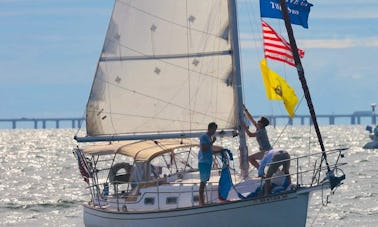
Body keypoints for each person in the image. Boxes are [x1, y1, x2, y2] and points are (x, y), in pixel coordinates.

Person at [242, 105, 273, 170]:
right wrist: (245, 110)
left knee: (250, 158)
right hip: (266, 151)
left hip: (266, 152)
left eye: (259, 121)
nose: (257, 122)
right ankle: (261, 172)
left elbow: (250, 135)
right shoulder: (259, 128)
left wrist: (244, 127)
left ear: (262, 124)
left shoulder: (261, 131)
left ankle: (261, 172)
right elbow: (251, 119)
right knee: (270, 165)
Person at [198, 122, 218, 206]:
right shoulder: (204, 137)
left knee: (205, 181)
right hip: (203, 162)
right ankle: (201, 202)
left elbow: (209, 150)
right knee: (203, 182)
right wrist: (212, 142)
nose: (214, 131)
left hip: (207, 162)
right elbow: (203, 148)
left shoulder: (209, 138)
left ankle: (202, 200)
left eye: (215, 130)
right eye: (213, 129)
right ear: (209, 128)